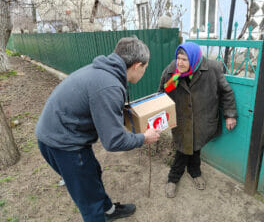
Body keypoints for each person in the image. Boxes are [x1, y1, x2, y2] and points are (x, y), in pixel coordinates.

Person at [36, 37, 161, 222]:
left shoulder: (104, 71)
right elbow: (114, 141)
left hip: (60, 132)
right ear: (136, 65)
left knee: (92, 173)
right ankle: (99, 214)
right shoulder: (108, 85)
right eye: (145, 68)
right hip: (63, 143)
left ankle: (109, 211)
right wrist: (144, 138)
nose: (144, 72)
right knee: (89, 202)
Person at [158, 42, 237, 198]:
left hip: (203, 119)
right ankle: (174, 178)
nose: (179, 63)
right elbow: (161, 93)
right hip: (181, 119)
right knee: (182, 149)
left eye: (184, 59)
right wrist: (159, 117)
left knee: (196, 147)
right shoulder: (171, 70)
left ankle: (194, 172)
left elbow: (226, 92)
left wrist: (230, 115)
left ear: (193, 59)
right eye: (178, 58)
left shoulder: (212, 68)